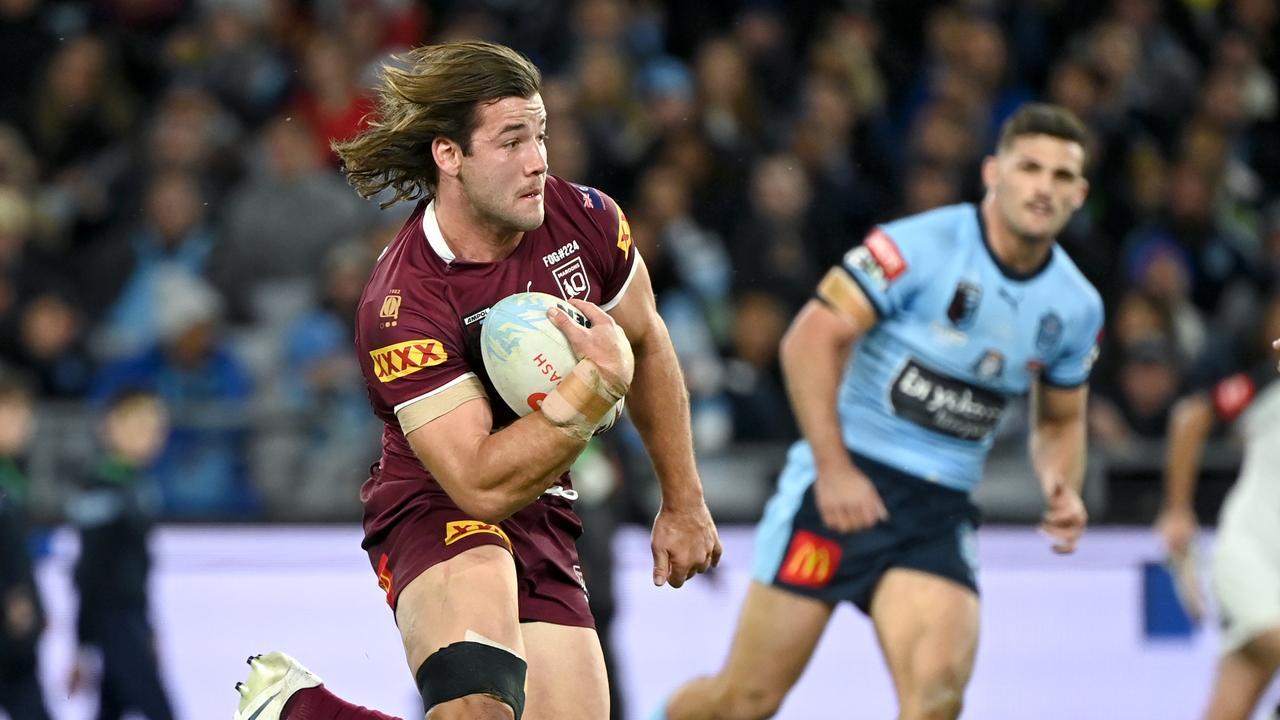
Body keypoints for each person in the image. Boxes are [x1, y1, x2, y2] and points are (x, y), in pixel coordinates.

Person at [235, 40, 722, 720]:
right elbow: (477, 483)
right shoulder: (402, 302)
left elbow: (646, 338)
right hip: (437, 506)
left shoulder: (585, 218)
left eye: (542, 135)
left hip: (547, 504)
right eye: (512, 141)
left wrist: (683, 499)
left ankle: (304, 712)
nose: (538, 160)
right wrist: (589, 392)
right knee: (480, 713)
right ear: (449, 155)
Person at [655, 103, 1103, 720]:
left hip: (936, 512)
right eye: (1031, 167)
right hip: (839, 485)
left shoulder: (1076, 307)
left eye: (1061, 177)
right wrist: (835, 469)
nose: (1043, 187)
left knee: (936, 699)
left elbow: (1060, 419)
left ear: (1079, 194)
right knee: (744, 700)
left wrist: (1062, 484)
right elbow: (809, 339)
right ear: (994, 172)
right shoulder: (918, 245)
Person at [1156, 296, 1280, 720]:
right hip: (1248, 557)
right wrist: (1176, 510)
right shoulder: (1266, 384)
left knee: (1230, 704)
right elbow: (1190, 417)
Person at [66, 388, 175, 719]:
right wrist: (82, 643)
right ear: (111, 427)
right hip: (112, 620)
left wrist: (148, 626)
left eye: (155, 428)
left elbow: (137, 569)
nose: (150, 437)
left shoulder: (137, 486)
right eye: (139, 426)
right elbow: (89, 569)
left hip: (130, 619)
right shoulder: (100, 487)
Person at [0, 374, 50, 719]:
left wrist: (33, 598)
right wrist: (12, 593)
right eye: (9, 413)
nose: (21, 424)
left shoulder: (15, 475)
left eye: (24, 414)